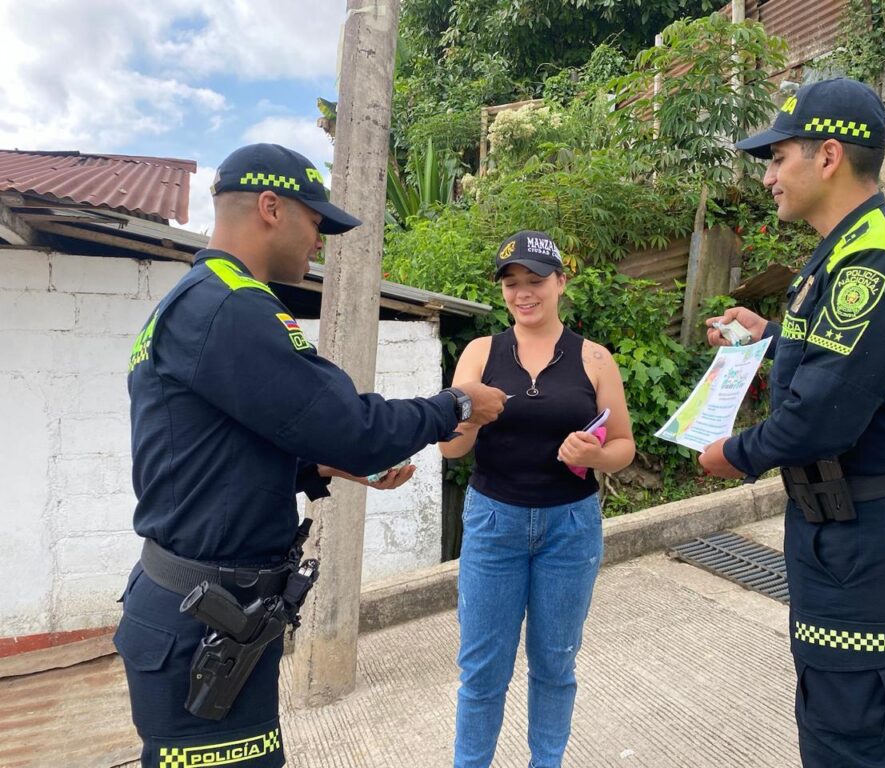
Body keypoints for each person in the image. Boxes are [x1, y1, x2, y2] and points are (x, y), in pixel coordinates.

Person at [115, 143, 506, 768]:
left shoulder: (194, 300)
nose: (320, 242)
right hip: (204, 623)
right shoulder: (232, 307)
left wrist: (325, 466)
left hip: (205, 615)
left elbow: (214, 454)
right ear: (270, 206)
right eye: (315, 222)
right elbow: (352, 425)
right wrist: (454, 406)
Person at [700, 79, 885, 767]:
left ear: (830, 155)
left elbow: (824, 416)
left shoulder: (880, 258)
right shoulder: (843, 250)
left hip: (864, 536)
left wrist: (733, 452)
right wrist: (769, 338)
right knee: (864, 726)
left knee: (847, 737)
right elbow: (839, 351)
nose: (769, 175)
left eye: (778, 157)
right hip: (837, 532)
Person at [441, 230, 636, 768]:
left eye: (535, 281)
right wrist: (460, 418)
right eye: (512, 284)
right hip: (493, 523)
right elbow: (453, 449)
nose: (523, 293)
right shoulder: (481, 353)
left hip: (570, 528)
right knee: (482, 668)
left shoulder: (595, 359)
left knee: (554, 664)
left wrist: (596, 457)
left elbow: (622, 445)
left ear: (561, 283)